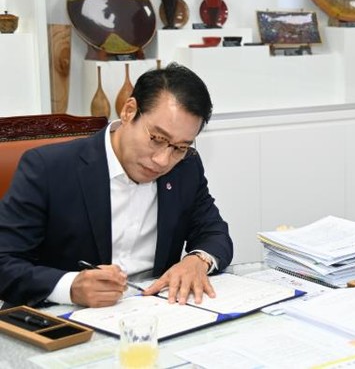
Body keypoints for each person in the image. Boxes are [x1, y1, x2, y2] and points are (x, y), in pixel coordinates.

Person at [0, 63, 233, 308]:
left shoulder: (186, 167)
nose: (163, 160)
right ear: (129, 111)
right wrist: (69, 287)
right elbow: (4, 261)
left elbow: (214, 232)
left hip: (155, 312)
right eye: (157, 139)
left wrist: (197, 261)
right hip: (62, 316)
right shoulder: (48, 168)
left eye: (180, 147)